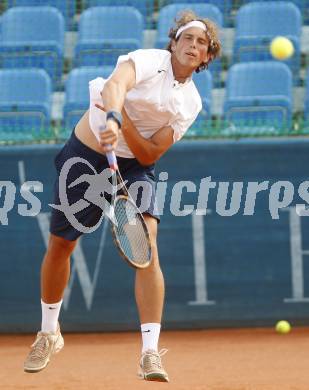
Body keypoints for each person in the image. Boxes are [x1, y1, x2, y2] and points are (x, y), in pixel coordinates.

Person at [23, 10, 221, 382]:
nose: (193, 46)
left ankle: (149, 353)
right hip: (84, 156)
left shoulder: (190, 104)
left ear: (207, 57)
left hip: (131, 169)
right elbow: (116, 85)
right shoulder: (148, 60)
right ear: (174, 43)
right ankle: (49, 332)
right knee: (61, 247)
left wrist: (123, 125)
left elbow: (148, 154)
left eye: (202, 43)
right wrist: (113, 116)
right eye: (188, 38)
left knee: (147, 247)